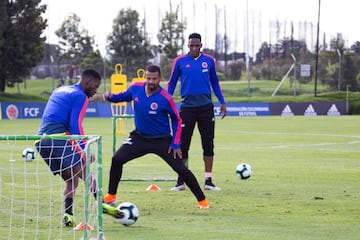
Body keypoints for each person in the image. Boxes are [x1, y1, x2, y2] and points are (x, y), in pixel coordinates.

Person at [102, 64, 210, 209]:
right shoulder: (136, 88)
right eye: (148, 78)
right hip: (139, 138)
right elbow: (123, 96)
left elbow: (177, 120)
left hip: (162, 140)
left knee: (181, 169)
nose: (151, 82)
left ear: (160, 79)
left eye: (154, 79)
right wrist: (110, 97)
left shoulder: (166, 98)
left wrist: (175, 143)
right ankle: (111, 196)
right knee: (117, 159)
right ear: (145, 77)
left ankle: (202, 201)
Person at [35, 69, 102, 227]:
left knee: (72, 179)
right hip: (58, 137)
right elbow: (75, 125)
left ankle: (68, 215)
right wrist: (86, 149)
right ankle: (102, 205)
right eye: (95, 86)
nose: (95, 90)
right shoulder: (80, 96)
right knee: (85, 171)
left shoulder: (61, 89)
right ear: (88, 82)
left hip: (41, 141)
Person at [167, 32, 227, 191]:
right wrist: (166, 101)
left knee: (208, 144)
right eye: (191, 45)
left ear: (201, 45)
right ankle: (181, 181)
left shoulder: (209, 61)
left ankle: (208, 180)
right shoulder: (180, 61)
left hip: (206, 108)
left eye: (196, 45)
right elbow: (172, 83)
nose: (194, 47)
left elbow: (214, 82)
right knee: (182, 145)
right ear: (188, 46)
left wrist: (222, 101)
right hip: (187, 109)